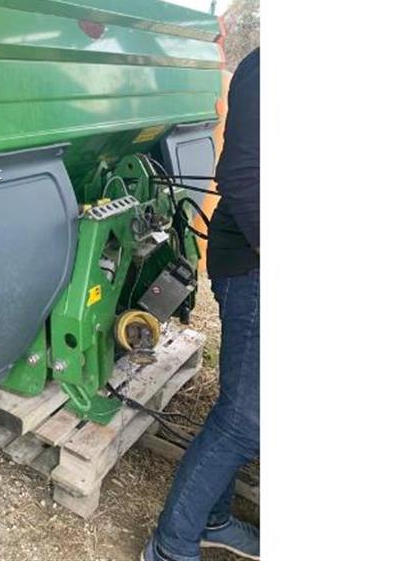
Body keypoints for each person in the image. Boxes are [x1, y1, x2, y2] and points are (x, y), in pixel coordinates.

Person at [144, 48, 260, 561]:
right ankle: (171, 546)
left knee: (244, 409)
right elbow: (243, 174)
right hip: (253, 264)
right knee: (246, 420)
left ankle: (213, 519)